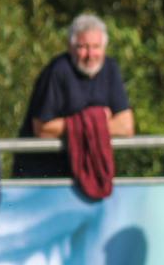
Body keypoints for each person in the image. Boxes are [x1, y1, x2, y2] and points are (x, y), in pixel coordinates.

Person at [13, 14, 134, 178]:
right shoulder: (57, 71)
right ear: (70, 47)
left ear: (104, 48)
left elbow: (126, 127)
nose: (90, 54)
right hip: (44, 177)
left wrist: (81, 124)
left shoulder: (110, 69)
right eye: (83, 47)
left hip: (91, 175)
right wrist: (96, 119)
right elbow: (42, 128)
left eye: (96, 47)